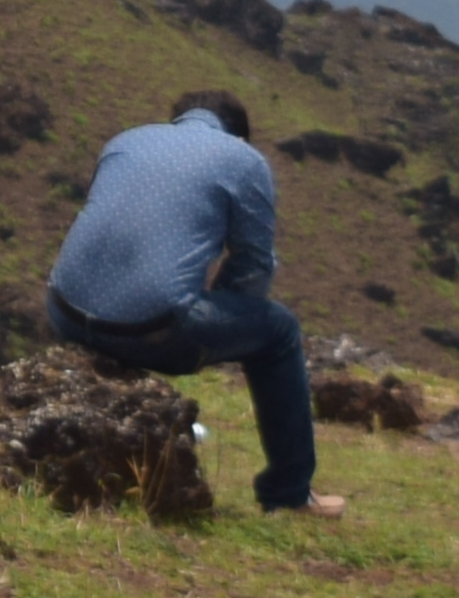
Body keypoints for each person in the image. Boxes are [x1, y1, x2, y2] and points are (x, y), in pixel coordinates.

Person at [45, 90, 340, 516]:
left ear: (178, 120)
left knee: (140, 297)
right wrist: (219, 313)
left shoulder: (125, 140)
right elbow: (254, 264)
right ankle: (290, 494)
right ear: (240, 136)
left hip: (64, 311)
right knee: (279, 330)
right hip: (153, 331)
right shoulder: (242, 160)